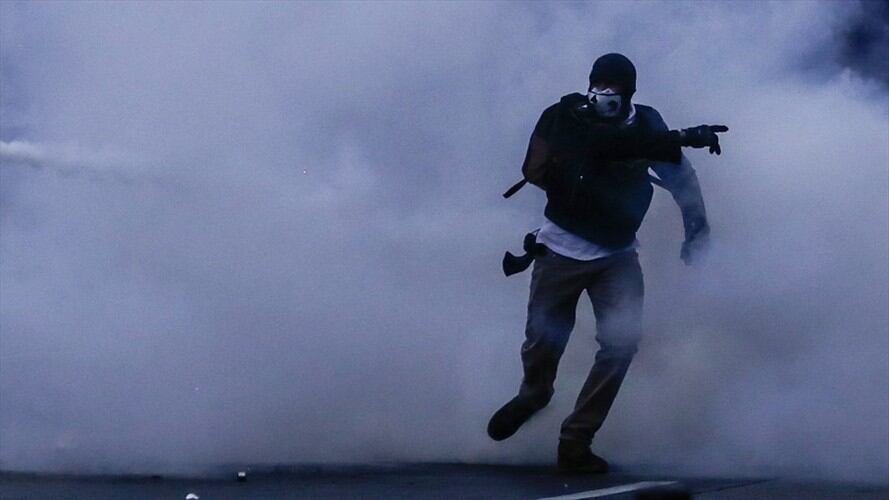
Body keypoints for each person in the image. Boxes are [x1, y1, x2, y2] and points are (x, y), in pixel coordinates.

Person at [489, 53, 727, 474]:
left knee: (621, 344)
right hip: (560, 248)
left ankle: (576, 439)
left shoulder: (648, 124)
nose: (605, 94)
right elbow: (600, 146)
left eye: (614, 86)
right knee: (543, 342)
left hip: (617, 254)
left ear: (630, 91)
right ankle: (534, 394)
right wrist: (680, 136)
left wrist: (697, 229)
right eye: (599, 84)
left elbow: (681, 179)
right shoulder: (566, 117)